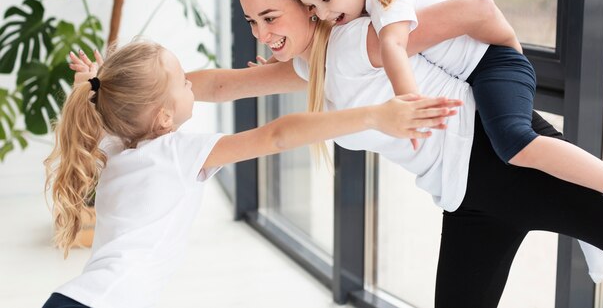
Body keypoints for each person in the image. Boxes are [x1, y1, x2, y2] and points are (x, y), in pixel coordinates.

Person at [70, 0, 603, 306]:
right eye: (251, 21)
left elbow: (473, 14)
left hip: (499, 158)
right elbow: (218, 85)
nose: (262, 33)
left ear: (310, 8)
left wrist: (504, 52)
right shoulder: (315, 67)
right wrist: (118, 85)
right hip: (464, 198)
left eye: (271, 17)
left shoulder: (360, 43)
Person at [43, 41, 456, 308]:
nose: (193, 85)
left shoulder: (117, 146)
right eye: (185, 82)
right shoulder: (176, 152)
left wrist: (95, 82)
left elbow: (102, 110)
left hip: (81, 296)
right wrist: (373, 115)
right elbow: (277, 135)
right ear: (164, 117)